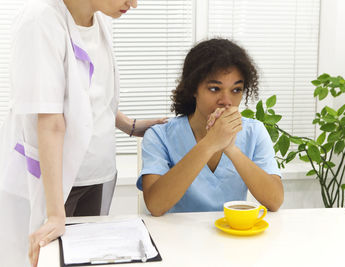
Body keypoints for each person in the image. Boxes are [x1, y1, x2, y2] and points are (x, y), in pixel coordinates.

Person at [0, 0, 166, 266]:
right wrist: (55, 214)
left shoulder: (101, 19)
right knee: (44, 259)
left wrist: (132, 126)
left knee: (87, 259)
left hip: (97, 175)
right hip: (54, 183)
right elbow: (51, 120)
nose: (133, 4)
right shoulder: (40, 21)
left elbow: (92, 99)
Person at [137, 38, 284, 216]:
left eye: (236, 90)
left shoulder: (254, 131)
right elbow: (155, 205)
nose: (226, 101)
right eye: (214, 89)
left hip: (231, 236)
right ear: (193, 89)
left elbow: (275, 201)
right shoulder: (160, 135)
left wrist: (231, 148)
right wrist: (210, 144)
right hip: (175, 237)